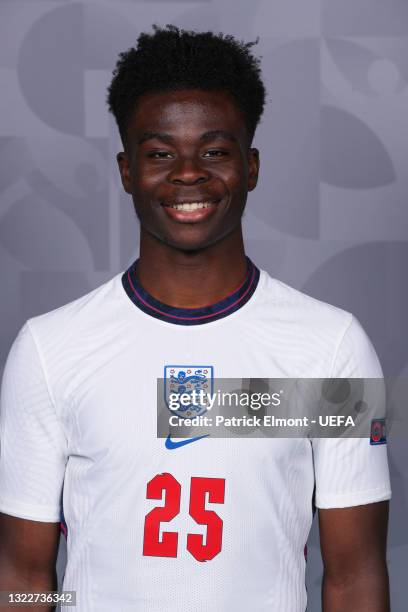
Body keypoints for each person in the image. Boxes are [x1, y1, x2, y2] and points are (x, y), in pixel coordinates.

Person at [0, 25, 391, 612]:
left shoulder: (331, 347)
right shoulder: (50, 348)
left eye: (214, 151)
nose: (188, 174)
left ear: (250, 167)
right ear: (127, 170)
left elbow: (355, 575)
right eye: (160, 154)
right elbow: (23, 574)